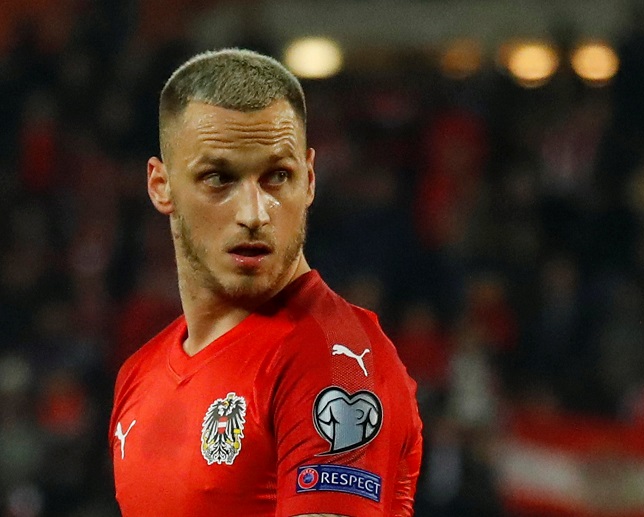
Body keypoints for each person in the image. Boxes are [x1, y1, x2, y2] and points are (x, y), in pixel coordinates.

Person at [109, 48, 423, 517]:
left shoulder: (335, 359)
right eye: (219, 178)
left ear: (311, 180)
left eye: (277, 177)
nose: (254, 214)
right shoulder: (139, 374)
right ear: (161, 186)